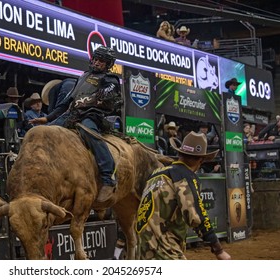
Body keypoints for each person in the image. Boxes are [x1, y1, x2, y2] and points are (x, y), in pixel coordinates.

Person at [31, 46, 121, 203]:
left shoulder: (110, 79)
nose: (97, 62)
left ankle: (109, 178)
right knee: (45, 131)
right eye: (96, 59)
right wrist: (47, 119)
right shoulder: (84, 76)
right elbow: (67, 102)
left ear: (107, 64)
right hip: (72, 114)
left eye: (102, 61)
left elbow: (109, 92)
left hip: (93, 115)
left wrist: (98, 96)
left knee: (89, 133)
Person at [136, 131, 231, 260]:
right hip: (164, 248)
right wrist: (218, 249)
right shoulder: (184, 176)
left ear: (180, 154)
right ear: (201, 160)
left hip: (143, 248)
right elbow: (196, 216)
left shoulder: (156, 173)